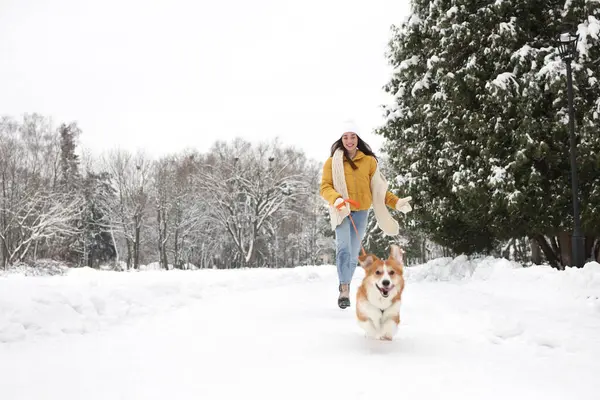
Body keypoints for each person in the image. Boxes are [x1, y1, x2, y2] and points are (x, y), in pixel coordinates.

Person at [319, 120, 412, 309]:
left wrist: (396, 202)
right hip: (341, 210)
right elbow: (325, 187)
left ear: (358, 138)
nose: (349, 140)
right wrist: (336, 199)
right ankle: (344, 288)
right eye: (345, 137)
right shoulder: (332, 162)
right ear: (341, 139)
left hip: (361, 212)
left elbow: (378, 190)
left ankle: (346, 282)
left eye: (353, 136)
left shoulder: (369, 161)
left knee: (354, 254)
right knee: (343, 248)